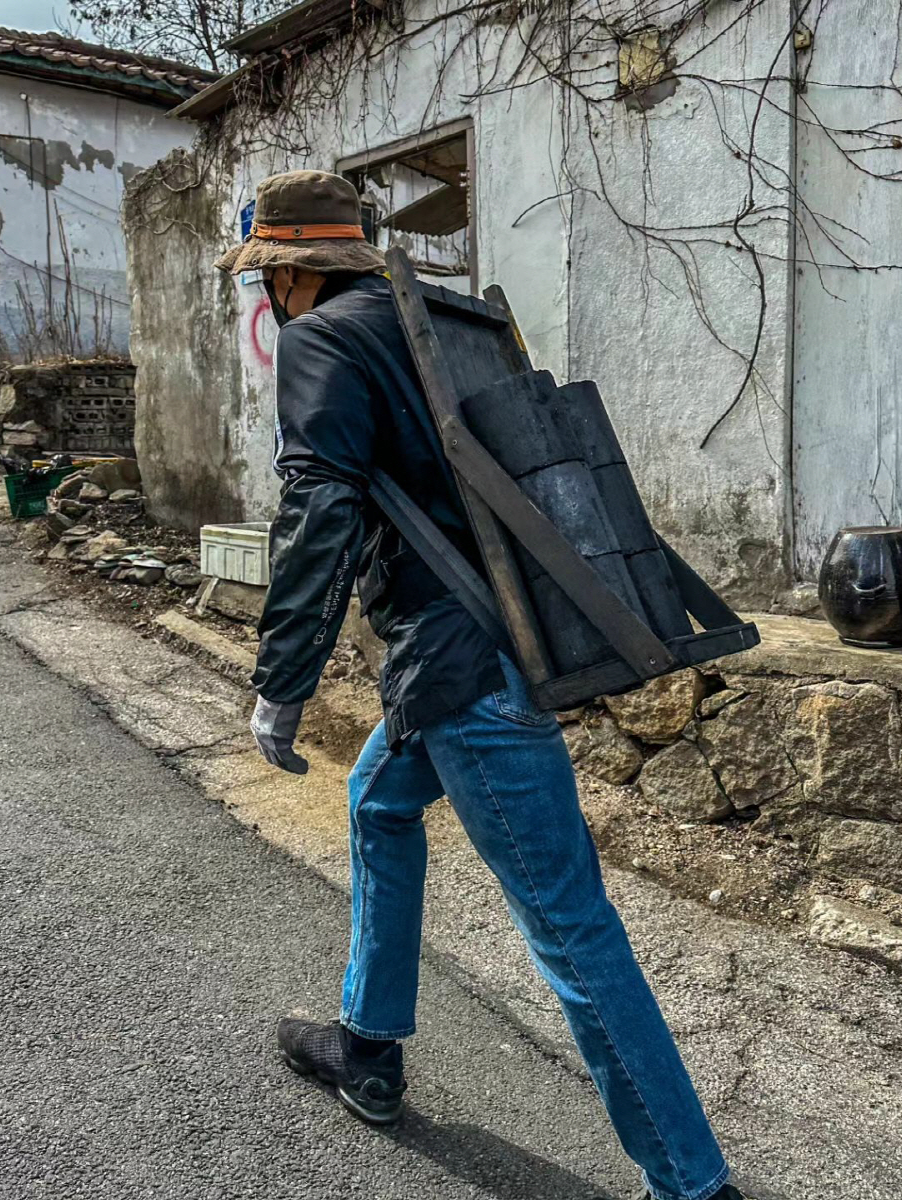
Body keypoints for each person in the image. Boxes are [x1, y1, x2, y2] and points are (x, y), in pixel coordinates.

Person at [215, 170, 753, 1200]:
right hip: (496, 640)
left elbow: (319, 511)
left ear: (286, 272)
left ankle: (693, 1185)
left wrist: (281, 683)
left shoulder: (322, 338)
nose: (263, 300)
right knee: (376, 804)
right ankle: (367, 1047)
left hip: (463, 672)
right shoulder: (424, 323)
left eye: (263, 280)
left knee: (571, 927)